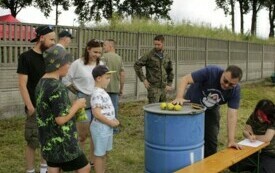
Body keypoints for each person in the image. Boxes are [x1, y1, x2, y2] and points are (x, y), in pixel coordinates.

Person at [35, 45, 90, 173]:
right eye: (67, 63)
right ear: (58, 64)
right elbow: (60, 119)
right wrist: (76, 106)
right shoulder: (57, 87)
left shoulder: (41, 82)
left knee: (53, 167)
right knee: (85, 168)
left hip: (47, 138)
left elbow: (50, 111)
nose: (69, 66)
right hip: (63, 140)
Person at [172, 65, 243, 158]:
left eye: (231, 85)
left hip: (211, 109)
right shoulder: (211, 72)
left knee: (211, 139)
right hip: (191, 104)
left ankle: (209, 165)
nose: (226, 85)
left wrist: (231, 140)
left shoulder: (235, 90)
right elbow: (185, 79)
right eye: (225, 81)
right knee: (187, 136)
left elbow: (232, 115)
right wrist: (179, 97)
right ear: (223, 72)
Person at [17, 25, 55, 173]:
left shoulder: (50, 57)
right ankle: (30, 170)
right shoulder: (26, 57)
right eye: (51, 39)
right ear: (41, 38)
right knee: (33, 142)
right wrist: (30, 107)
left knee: (47, 140)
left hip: (50, 107)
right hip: (35, 108)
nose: (53, 42)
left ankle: (44, 168)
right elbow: (22, 84)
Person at [62, 39, 103, 166]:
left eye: (100, 52)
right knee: (82, 135)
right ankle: (79, 161)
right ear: (88, 49)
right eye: (95, 52)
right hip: (83, 103)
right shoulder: (78, 64)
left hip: (97, 102)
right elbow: (65, 79)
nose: (97, 55)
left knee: (95, 134)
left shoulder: (101, 64)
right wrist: (78, 92)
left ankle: (91, 161)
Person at [229, 99, 275, 173]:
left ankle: (262, 167)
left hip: (271, 153)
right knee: (233, 165)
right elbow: (246, 131)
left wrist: (254, 136)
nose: (260, 119)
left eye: (262, 117)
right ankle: (258, 166)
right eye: (258, 116)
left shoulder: (273, 119)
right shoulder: (254, 115)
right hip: (254, 151)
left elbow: (267, 138)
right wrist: (248, 135)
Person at [90, 65, 120, 173]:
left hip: (106, 127)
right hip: (101, 128)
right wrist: (110, 122)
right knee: (99, 154)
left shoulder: (102, 91)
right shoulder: (97, 93)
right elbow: (96, 114)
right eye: (107, 78)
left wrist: (113, 119)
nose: (109, 80)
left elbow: (105, 110)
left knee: (104, 153)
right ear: (98, 78)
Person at [134, 34, 174, 103]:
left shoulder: (166, 55)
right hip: (153, 88)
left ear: (163, 43)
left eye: (158, 44)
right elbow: (137, 65)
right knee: (153, 108)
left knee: (163, 109)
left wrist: (169, 84)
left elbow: (170, 70)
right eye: (155, 44)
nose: (156, 46)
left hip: (164, 88)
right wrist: (144, 80)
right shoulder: (149, 54)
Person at [102, 39, 125, 133]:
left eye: (104, 45)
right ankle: (115, 128)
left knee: (103, 108)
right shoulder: (119, 58)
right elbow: (122, 74)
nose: (103, 47)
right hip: (115, 88)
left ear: (110, 46)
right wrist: (121, 88)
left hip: (104, 88)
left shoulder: (103, 57)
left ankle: (104, 127)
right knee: (114, 108)